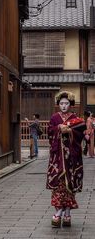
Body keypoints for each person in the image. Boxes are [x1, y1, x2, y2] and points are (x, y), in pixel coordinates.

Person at [46, 91, 85, 228]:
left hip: (71, 159)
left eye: (66, 103)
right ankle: (63, 213)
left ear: (71, 104)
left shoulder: (75, 118)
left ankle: (65, 214)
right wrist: (58, 128)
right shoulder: (54, 118)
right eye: (61, 103)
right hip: (58, 159)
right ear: (58, 104)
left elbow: (80, 135)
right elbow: (50, 133)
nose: (63, 106)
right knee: (58, 186)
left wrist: (71, 131)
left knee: (70, 185)